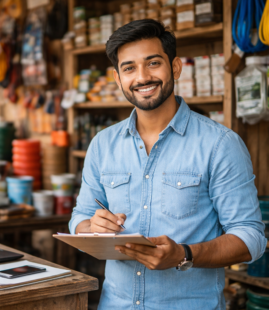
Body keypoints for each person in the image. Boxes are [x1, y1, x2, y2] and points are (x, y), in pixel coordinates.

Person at [69, 19, 267, 309]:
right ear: (117, 78)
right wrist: (91, 227)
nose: (142, 77)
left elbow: (251, 238)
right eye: (129, 68)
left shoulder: (221, 144)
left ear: (175, 67)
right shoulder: (102, 144)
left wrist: (184, 254)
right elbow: (79, 218)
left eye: (153, 63)